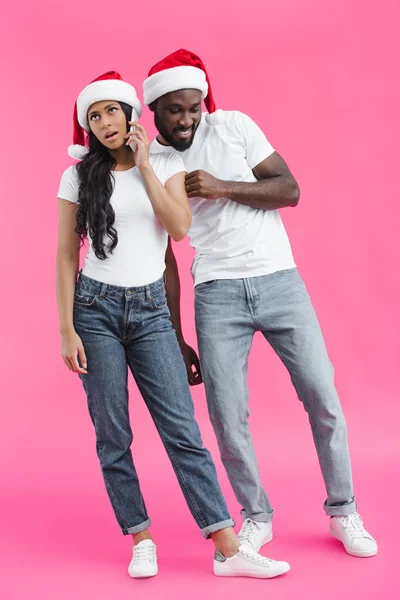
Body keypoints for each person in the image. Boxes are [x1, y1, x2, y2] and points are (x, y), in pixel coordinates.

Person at [56, 70, 291, 579]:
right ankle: (140, 536)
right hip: (93, 311)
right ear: (88, 126)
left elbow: (179, 230)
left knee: (183, 431)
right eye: (93, 116)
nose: (103, 122)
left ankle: (227, 547)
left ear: (130, 113)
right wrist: (66, 329)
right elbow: (61, 257)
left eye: (111, 110)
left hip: (150, 314)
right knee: (112, 432)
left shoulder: (164, 161)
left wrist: (142, 165)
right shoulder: (76, 177)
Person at [143, 49, 378, 559]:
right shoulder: (154, 164)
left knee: (323, 398)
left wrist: (221, 186)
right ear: (154, 109)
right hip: (216, 293)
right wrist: (177, 335)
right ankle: (257, 517)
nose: (187, 119)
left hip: (279, 280)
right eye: (175, 109)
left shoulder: (233, 127)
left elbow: (289, 190)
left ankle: (344, 510)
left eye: (194, 107)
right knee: (227, 418)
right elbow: (163, 256)